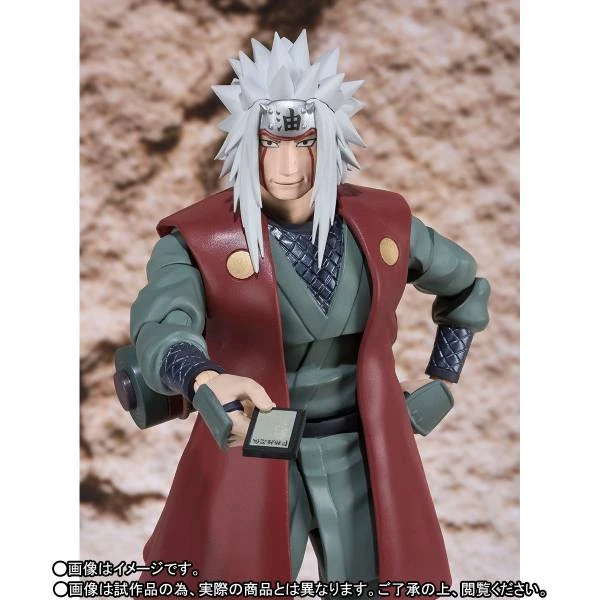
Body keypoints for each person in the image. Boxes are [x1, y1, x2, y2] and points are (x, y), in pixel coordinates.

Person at [127, 30, 490, 597]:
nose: (288, 164)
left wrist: (443, 379)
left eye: (305, 142)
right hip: (256, 441)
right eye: (271, 143)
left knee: (384, 582)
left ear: (332, 141)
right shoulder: (199, 241)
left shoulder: (383, 224)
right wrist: (200, 376)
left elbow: (466, 287)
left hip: (363, 447)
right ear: (247, 142)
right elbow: (162, 326)